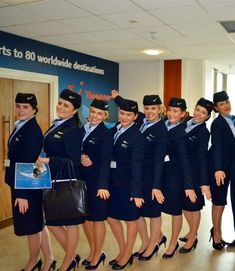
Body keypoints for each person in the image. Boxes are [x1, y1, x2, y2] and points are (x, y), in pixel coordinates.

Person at [4, 93, 55, 271]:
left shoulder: (32, 131)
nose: (20, 110)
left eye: (25, 107)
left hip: (26, 188)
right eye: (18, 106)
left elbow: (28, 164)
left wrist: (22, 195)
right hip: (22, 185)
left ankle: (34, 261)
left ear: (34, 109)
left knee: (31, 228)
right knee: (38, 223)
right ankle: (49, 258)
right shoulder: (22, 126)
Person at [36, 89, 83, 271]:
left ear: (74, 110)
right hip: (51, 178)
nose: (61, 107)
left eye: (66, 105)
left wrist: (48, 160)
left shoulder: (73, 130)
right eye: (60, 103)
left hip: (66, 180)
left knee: (70, 223)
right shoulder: (58, 123)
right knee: (53, 222)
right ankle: (72, 256)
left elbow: (74, 161)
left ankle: (68, 260)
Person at [153, 97, 197, 258]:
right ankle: (160, 237)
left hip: (174, 178)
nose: (171, 113)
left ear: (183, 114)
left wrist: (189, 185)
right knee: (160, 210)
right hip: (160, 175)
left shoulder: (180, 133)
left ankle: (173, 243)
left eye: (176, 111)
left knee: (175, 211)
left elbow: (185, 161)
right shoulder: (163, 124)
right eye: (170, 110)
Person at [107, 98, 145, 270]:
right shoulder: (115, 128)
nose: (124, 117)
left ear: (135, 116)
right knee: (112, 217)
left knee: (131, 220)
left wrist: (137, 192)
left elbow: (137, 165)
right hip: (113, 183)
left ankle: (127, 253)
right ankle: (123, 249)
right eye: (122, 113)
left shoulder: (137, 135)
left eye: (128, 114)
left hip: (129, 184)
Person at [134, 95, 168, 261]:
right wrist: (116, 97)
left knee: (154, 213)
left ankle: (153, 244)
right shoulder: (141, 122)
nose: (149, 112)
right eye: (147, 108)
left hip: (153, 177)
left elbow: (159, 160)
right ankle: (145, 241)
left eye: (153, 108)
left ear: (160, 109)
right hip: (137, 177)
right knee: (138, 211)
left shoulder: (161, 130)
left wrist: (156, 185)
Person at [80, 99, 113, 270]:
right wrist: (79, 157)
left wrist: (103, 185)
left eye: (99, 113)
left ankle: (98, 253)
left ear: (105, 116)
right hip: (82, 181)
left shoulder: (105, 134)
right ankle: (93, 251)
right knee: (86, 219)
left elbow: (106, 161)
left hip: (97, 183)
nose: (94, 115)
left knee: (97, 220)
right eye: (92, 111)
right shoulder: (83, 129)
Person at [179, 98, 213, 253]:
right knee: (184, 205)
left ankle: (192, 237)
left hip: (194, 174)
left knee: (193, 206)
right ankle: (193, 230)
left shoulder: (204, 132)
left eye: (203, 113)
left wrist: (204, 182)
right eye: (198, 110)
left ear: (207, 117)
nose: (199, 114)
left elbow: (202, 157)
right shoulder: (185, 121)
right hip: (180, 171)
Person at [209, 90, 235, 249]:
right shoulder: (217, 124)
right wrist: (218, 168)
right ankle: (217, 234)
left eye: (227, 102)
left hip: (234, 166)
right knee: (219, 201)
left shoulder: (234, 119)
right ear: (216, 108)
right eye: (221, 104)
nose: (225, 106)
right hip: (220, 168)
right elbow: (217, 147)